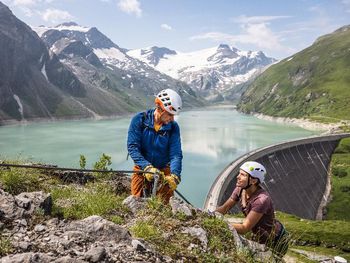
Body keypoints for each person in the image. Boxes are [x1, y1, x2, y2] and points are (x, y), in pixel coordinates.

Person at [215, 161, 289, 259]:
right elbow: (225, 208)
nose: (238, 177)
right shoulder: (240, 189)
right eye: (239, 173)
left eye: (242, 175)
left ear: (253, 181)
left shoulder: (261, 200)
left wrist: (220, 224)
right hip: (259, 236)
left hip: (276, 241)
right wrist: (207, 215)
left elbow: (245, 228)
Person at [127, 88, 183, 204]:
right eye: (170, 114)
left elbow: (175, 154)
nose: (172, 119)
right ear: (160, 109)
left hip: (164, 171)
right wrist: (146, 167)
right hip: (142, 169)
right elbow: (133, 147)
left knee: (164, 206)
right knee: (136, 203)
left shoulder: (173, 127)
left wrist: (175, 175)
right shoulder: (139, 120)